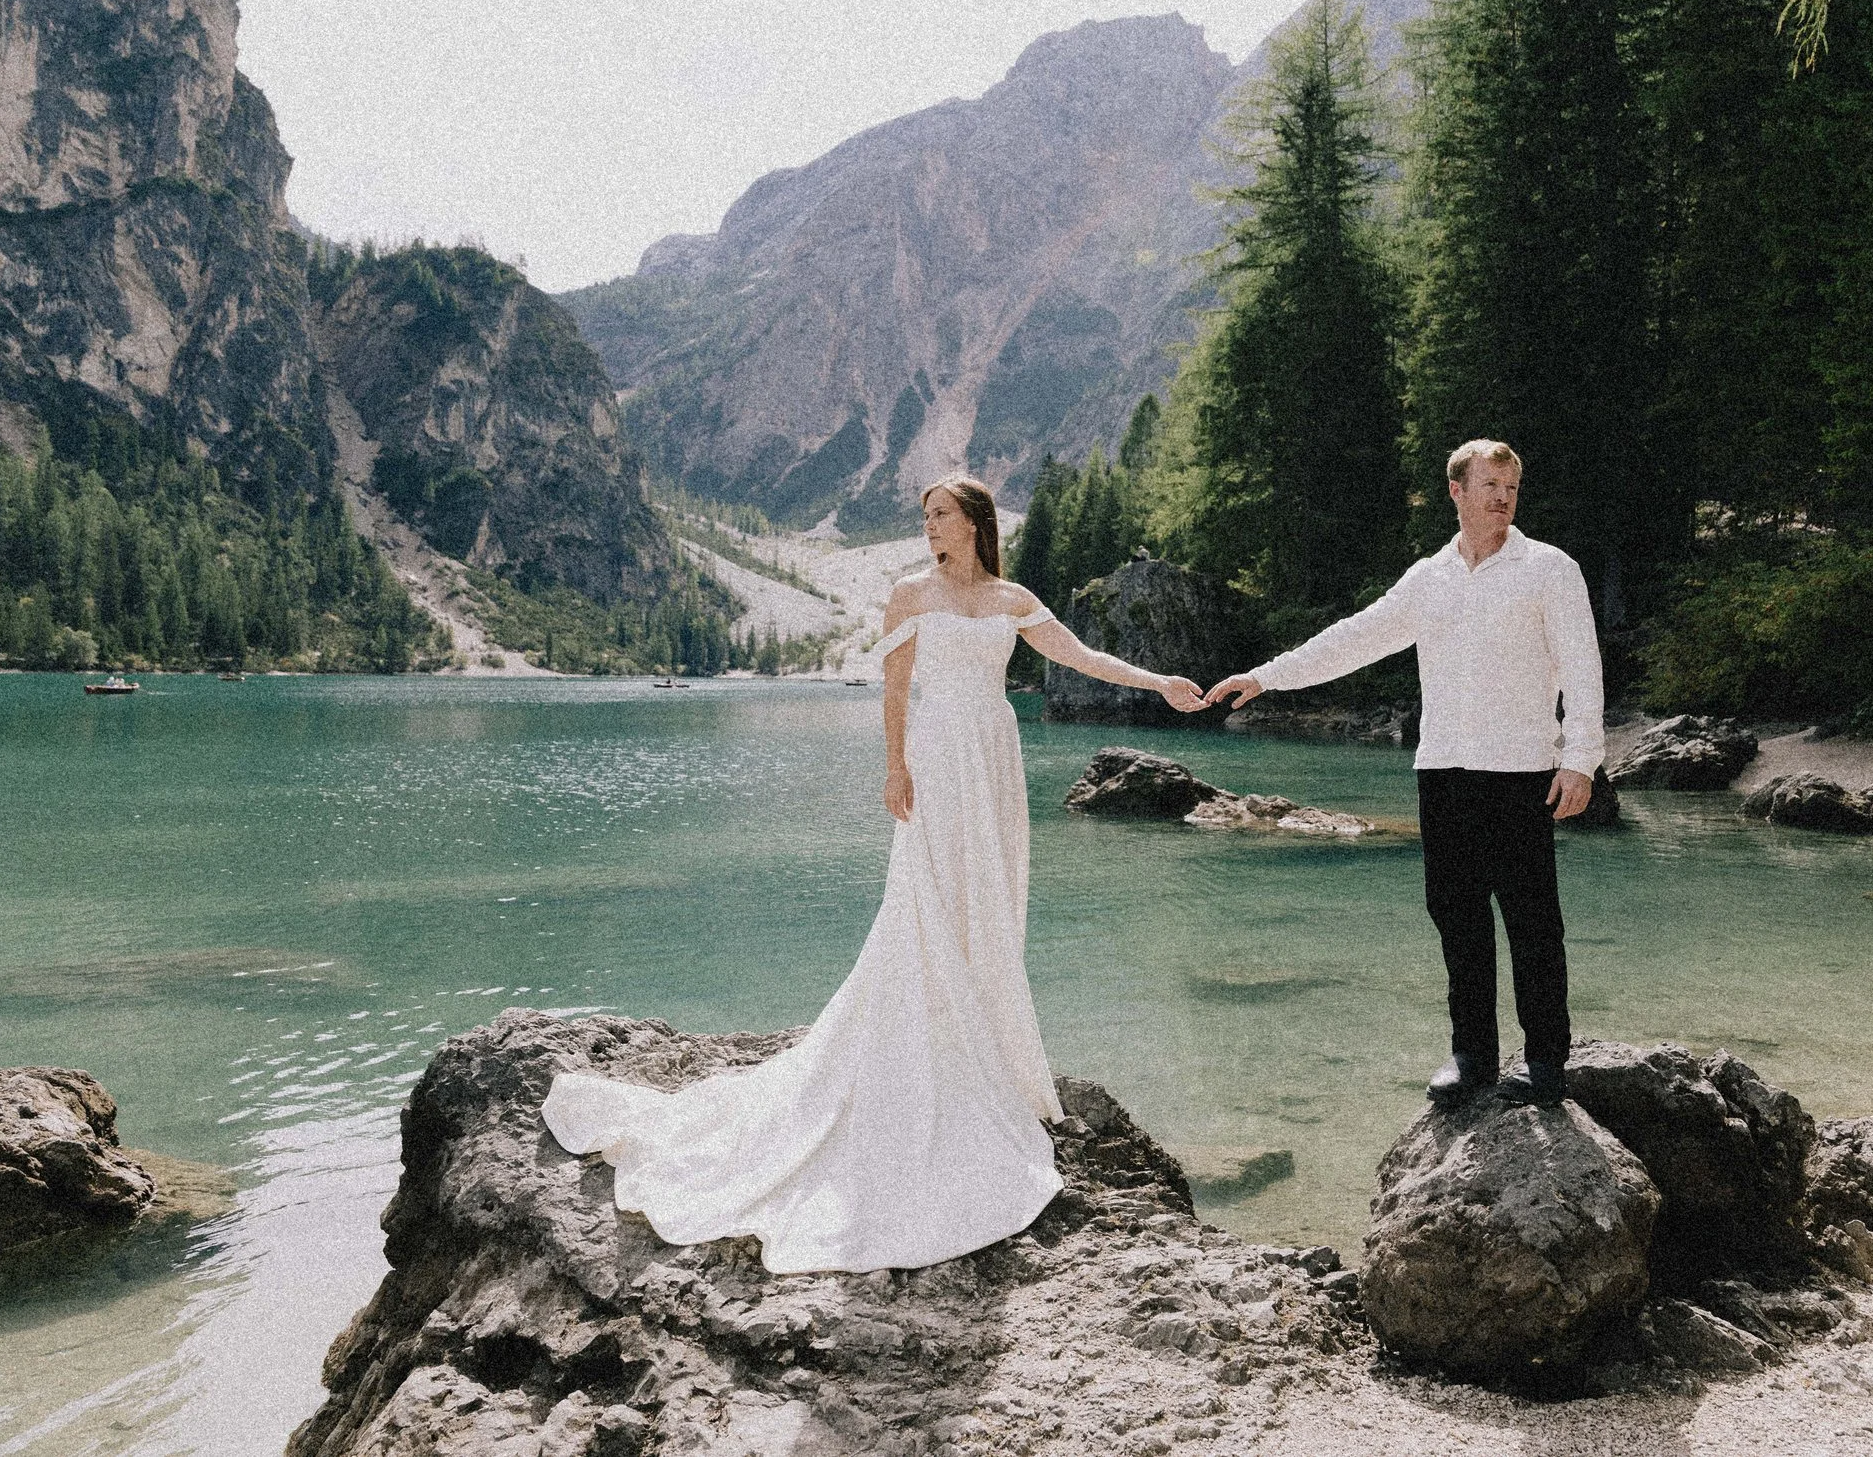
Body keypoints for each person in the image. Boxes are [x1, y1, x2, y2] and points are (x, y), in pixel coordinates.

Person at [541, 474, 1205, 1273]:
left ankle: (985, 1047)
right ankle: (927, 1046)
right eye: (924, 515)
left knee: (985, 900)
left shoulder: (1011, 598)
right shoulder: (908, 594)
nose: (930, 527)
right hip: (935, 756)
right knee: (924, 902)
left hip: (992, 756)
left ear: (975, 523)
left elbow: (1084, 656)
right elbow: (894, 689)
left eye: (941, 515)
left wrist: (1158, 682)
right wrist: (893, 766)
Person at [1207, 439, 1602, 1107]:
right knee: (1456, 916)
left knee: (1533, 920)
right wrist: (1267, 676)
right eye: (1490, 484)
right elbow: (1354, 637)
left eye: (1511, 485)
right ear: (1457, 491)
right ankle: (1472, 1054)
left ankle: (1545, 1060)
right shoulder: (1430, 578)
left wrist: (1581, 759)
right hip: (1442, 770)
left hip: (1521, 771)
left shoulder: (1549, 569)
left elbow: (1583, 667)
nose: (1503, 496)